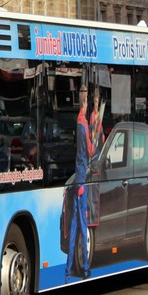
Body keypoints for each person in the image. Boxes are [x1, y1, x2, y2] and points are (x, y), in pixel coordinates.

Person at [67, 85, 93, 280]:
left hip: (77, 179)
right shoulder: (83, 125)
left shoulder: (77, 122)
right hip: (83, 180)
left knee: (74, 225)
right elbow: (90, 151)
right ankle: (85, 268)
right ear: (85, 102)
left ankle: (68, 270)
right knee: (83, 227)